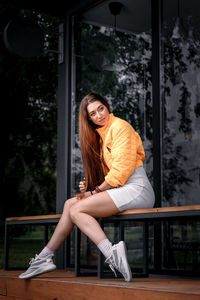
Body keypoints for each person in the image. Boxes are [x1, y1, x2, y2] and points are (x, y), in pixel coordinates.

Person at [19, 92, 155, 282]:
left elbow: (121, 173)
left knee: (77, 209)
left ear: (107, 106)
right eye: (93, 113)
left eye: (101, 108)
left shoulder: (120, 127)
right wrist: (90, 188)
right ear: (88, 119)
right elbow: (111, 176)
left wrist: (95, 192)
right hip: (122, 189)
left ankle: (112, 254)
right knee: (69, 204)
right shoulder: (102, 135)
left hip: (137, 189)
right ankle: (44, 257)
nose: (99, 115)